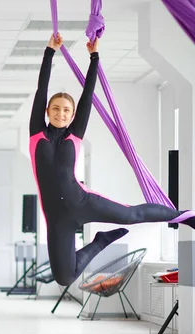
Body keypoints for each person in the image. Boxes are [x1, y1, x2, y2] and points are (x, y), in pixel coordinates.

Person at [29, 33, 194, 286]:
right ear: (47, 111)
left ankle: (183, 215)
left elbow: (87, 96)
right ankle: (101, 241)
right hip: (57, 216)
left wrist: (94, 57)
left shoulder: (75, 134)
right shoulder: (36, 133)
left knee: (132, 215)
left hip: (82, 202)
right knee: (63, 277)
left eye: (66, 110)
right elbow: (42, 89)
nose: (60, 113)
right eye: (56, 108)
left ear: (72, 115)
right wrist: (49, 52)